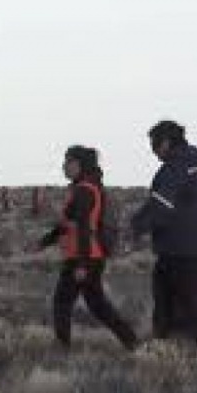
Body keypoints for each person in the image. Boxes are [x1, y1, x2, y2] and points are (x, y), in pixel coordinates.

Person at [38, 145, 138, 351]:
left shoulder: (84, 191)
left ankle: (62, 349)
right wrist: (45, 241)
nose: (64, 166)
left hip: (83, 256)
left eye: (68, 162)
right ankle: (132, 342)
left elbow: (83, 227)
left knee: (62, 302)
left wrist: (82, 264)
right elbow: (68, 224)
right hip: (89, 256)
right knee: (98, 305)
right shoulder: (84, 187)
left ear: (79, 165)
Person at [130, 120, 197, 343]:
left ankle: (170, 348)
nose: (153, 150)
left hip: (176, 244)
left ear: (166, 142)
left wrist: (138, 225)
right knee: (190, 299)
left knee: (168, 300)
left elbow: (161, 205)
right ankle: (189, 345)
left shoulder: (176, 166)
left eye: (154, 144)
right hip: (194, 243)